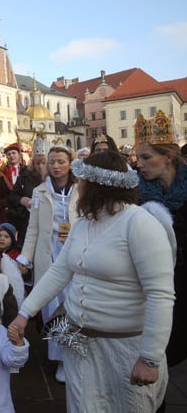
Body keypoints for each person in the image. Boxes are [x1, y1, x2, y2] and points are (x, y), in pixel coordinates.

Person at [9, 151, 174, 412]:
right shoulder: (84, 223)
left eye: (83, 179)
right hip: (79, 346)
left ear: (99, 186)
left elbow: (160, 295)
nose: (79, 184)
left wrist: (150, 358)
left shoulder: (139, 224)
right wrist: (25, 313)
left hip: (124, 351)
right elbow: (59, 271)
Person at [16, 145, 77, 382]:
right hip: (49, 253)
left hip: (74, 253)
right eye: (52, 162)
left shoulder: (81, 190)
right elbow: (32, 229)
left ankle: (76, 355)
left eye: (61, 161)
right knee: (52, 307)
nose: (56, 166)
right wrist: (25, 257)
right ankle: (61, 360)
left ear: (70, 163)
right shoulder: (40, 192)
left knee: (74, 305)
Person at [136, 113, 187, 368]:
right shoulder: (137, 194)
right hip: (157, 278)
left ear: (167, 158)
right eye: (137, 158)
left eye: (146, 157)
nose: (139, 164)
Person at [8, 143, 47, 247]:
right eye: (37, 163)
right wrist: (21, 200)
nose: (40, 166)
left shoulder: (53, 179)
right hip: (27, 221)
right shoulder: (24, 178)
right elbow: (12, 197)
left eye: (43, 163)